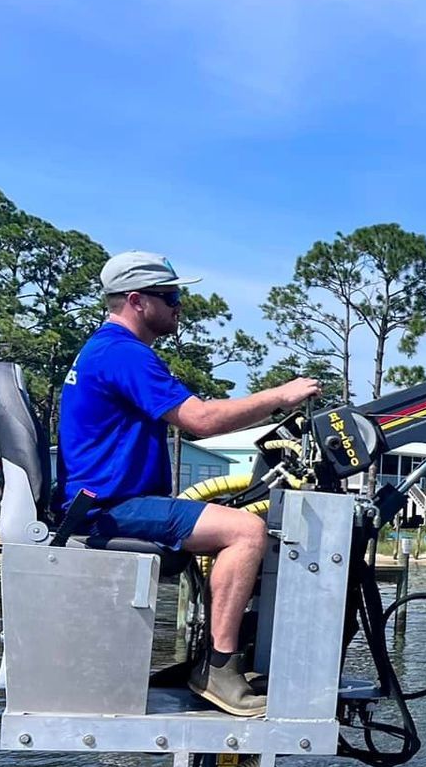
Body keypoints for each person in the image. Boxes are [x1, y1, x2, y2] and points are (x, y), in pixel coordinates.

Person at [56, 252, 320, 717]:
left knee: (237, 525)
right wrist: (280, 396)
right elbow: (199, 420)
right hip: (112, 507)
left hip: (111, 502)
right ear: (137, 301)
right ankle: (219, 668)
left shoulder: (104, 350)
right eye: (171, 296)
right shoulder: (123, 354)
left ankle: (207, 659)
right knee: (245, 531)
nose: (179, 306)